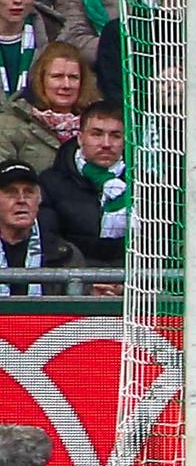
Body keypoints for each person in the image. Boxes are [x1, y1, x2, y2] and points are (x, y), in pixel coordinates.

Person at [38, 101, 128, 270]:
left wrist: (121, 283)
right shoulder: (50, 183)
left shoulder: (143, 184)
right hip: (73, 281)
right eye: (97, 134)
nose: (106, 143)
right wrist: (88, 282)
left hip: (132, 283)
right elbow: (49, 242)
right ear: (80, 138)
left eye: (115, 135)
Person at [0, 41, 99, 173]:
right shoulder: (9, 124)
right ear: (40, 79)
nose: (66, 85)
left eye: (73, 77)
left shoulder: (98, 122)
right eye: (57, 77)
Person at [0, 160, 81, 297]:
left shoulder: (64, 254)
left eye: (29, 192)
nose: (21, 200)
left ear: (39, 199)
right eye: (11, 192)